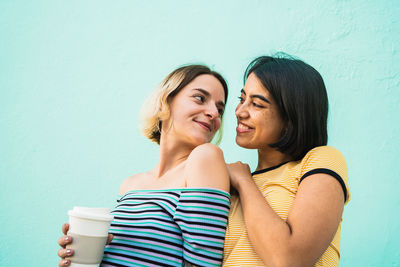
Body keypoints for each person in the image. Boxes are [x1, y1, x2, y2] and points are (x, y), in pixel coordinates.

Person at [58, 64, 231, 267]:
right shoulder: (130, 185)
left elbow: (203, 264)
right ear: (166, 101)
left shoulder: (206, 158)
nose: (214, 114)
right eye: (200, 98)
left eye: (220, 109)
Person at [223, 55, 350, 266]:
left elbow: (289, 259)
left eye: (256, 104)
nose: (239, 111)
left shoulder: (321, 160)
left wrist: (244, 182)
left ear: (291, 117)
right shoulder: (228, 184)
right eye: (241, 99)